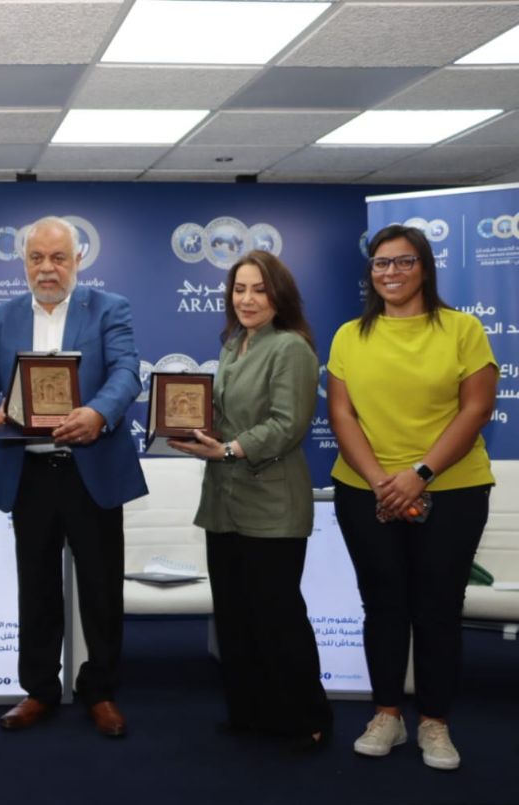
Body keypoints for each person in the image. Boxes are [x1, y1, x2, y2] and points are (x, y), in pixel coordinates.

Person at [328, 224, 496, 771]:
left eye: (404, 262)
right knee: (383, 605)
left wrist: (419, 474)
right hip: (366, 490)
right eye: (381, 263)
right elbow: (342, 415)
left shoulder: (463, 329)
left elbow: (476, 409)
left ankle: (434, 722)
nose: (391, 272)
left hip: (453, 488)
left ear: (424, 268)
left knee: (439, 608)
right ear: (370, 272)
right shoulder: (349, 335)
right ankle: (386, 715)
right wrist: (383, 481)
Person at [0, 216, 146, 737]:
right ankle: (39, 691)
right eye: (36, 258)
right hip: (31, 472)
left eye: (58, 258)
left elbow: (126, 372)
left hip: (90, 470)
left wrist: (97, 413)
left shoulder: (108, 308)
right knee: (36, 587)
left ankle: (101, 691)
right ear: (23, 263)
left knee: (101, 589)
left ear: (78, 260)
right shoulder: (2, 317)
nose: (47, 269)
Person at [167, 250, 332, 751]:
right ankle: (252, 713)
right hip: (224, 502)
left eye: (259, 289)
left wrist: (228, 449)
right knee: (236, 617)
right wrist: (201, 436)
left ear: (279, 295)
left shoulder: (291, 348)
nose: (247, 299)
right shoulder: (233, 345)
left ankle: (305, 718)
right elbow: (228, 420)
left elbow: (288, 424)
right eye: (239, 289)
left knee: (277, 617)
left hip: (272, 505)